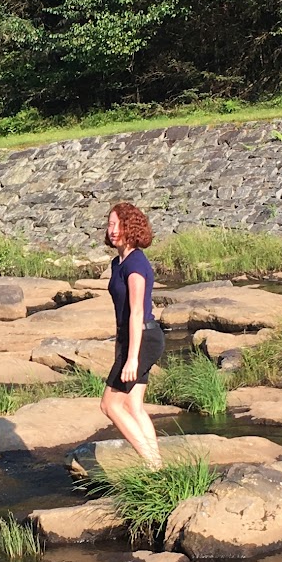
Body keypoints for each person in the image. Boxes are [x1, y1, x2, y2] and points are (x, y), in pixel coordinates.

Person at [101, 201, 165, 469]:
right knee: (133, 406)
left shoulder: (135, 263)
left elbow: (137, 312)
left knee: (110, 406)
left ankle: (151, 465)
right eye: (110, 224)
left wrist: (131, 359)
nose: (112, 229)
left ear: (130, 227)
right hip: (134, 339)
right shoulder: (119, 262)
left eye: (117, 224)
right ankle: (159, 469)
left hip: (144, 339)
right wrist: (122, 348)